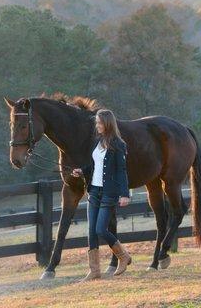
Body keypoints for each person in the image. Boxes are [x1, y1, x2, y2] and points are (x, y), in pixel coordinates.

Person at [72, 109, 132, 281]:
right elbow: (94, 166)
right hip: (94, 191)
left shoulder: (119, 144)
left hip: (108, 193)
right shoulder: (97, 142)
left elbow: (121, 171)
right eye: (96, 122)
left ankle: (123, 256)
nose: (96, 125)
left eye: (99, 122)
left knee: (100, 229)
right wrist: (82, 171)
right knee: (91, 231)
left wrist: (124, 193)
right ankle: (94, 270)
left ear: (107, 123)